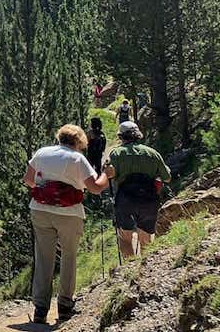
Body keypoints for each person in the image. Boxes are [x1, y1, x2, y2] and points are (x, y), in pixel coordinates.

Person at [23, 125, 112, 324]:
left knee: (43, 257)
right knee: (68, 257)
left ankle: (40, 309)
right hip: (69, 213)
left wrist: (46, 188)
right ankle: (64, 305)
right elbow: (95, 188)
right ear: (79, 141)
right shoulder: (77, 158)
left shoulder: (42, 152)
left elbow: (28, 180)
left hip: (40, 209)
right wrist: (107, 175)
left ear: (59, 137)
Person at [107, 121, 171, 258]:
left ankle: (129, 267)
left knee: (125, 237)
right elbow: (167, 178)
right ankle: (145, 269)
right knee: (146, 237)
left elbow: (110, 175)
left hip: (125, 198)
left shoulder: (116, 154)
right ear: (138, 135)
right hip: (148, 198)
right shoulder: (152, 153)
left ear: (121, 137)